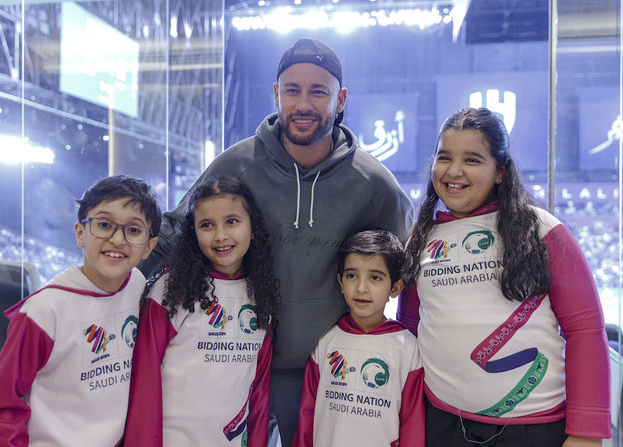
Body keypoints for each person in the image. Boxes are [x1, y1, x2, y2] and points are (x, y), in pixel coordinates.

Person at [139, 37, 415, 443]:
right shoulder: (238, 163)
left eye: (318, 91)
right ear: (276, 95)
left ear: (339, 100)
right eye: (292, 90)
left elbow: (408, 262)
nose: (303, 104)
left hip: (331, 368)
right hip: (238, 357)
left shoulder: (372, 182)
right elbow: (174, 232)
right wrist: (109, 282)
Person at [398, 107, 611, 446]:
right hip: (442, 422)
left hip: (534, 428)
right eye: (444, 157)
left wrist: (586, 431)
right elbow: (409, 331)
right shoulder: (422, 238)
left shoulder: (540, 230)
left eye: (472, 160)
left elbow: (585, 330)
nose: (454, 171)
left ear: (500, 171)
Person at [0, 175, 161, 446]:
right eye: (104, 225)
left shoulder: (137, 285)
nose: (117, 239)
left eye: (134, 230)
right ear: (80, 232)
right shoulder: (44, 311)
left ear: (149, 246)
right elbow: (2, 406)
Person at [124, 176, 281, 446]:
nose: (220, 235)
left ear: (252, 228)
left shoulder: (261, 295)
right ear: (193, 234)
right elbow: (144, 380)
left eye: (232, 221)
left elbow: (259, 393)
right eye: (207, 225)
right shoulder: (170, 291)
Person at [292, 229, 424, 447]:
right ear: (340, 282)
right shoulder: (326, 340)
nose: (361, 288)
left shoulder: (407, 349)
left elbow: (413, 425)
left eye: (375, 277)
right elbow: (307, 416)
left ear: (395, 288)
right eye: (352, 275)